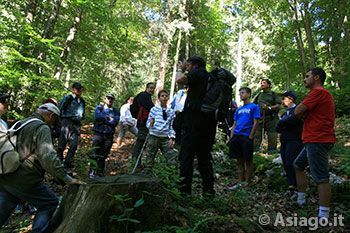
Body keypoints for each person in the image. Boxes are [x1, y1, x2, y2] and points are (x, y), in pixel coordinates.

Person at [0, 103, 83, 232]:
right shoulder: (41, 127)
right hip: (24, 179)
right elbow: (47, 156)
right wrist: (65, 177)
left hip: (6, 175)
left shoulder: (22, 122)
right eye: (55, 120)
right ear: (51, 115)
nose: (53, 124)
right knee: (49, 203)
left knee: (3, 209)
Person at [293, 68, 335, 219]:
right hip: (313, 139)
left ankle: (323, 215)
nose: (304, 79)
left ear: (316, 77)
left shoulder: (319, 92)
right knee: (298, 165)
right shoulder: (319, 94)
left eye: (307, 76)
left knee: (321, 177)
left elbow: (297, 112)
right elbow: (302, 113)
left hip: (318, 139)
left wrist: (303, 112)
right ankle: (301, 200)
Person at [176, 56, 217, 196]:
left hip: (193, 123)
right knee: (204, 158)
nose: (187, 68)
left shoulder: (197, 72)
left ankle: (184, 192)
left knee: (186, 157)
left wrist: (179, 69)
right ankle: (208, 192)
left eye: (188, 66)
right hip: (208, 124)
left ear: (195, 65)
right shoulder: (210, 77)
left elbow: (180, 80)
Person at [228, 87, 260, 189]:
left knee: (248, 160)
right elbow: (234, 124)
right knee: (239, 160)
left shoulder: (254, 107)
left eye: (242, 93)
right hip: (236, 136)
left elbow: (255, 122)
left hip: (246, 136)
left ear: (249, 94)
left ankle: (246, 183)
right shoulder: (238, 110)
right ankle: (240, 182)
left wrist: (250, 136)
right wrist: (231, 137)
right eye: (240, 93)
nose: (240, 95)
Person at [275, 91, 303, 198]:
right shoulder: (284, 114)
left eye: (284, 99)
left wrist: (283, 123)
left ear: (291, 99)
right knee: (286, 163)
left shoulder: (297, 111)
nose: (282, 101)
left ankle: (296, 188)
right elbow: (277, 127)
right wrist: (283, 123)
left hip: (295, 140)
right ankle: (290, 186)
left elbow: (293, 121)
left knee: (292, 163)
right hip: (284, 141)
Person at [89, 94, 120, 178]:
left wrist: (104, 120)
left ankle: (99, 172)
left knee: (104, 154)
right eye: (108, 98)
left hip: (109, 135)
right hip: (98, 134)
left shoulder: (116, 111)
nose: (109, 100)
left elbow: (115, 122)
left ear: (113, 100)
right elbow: (98, 118)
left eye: (111, 99)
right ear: (105, 99)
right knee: (94, 153)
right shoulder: (99, 108)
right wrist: (109, 119)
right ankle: (92, 172)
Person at [57, 82, 85, 169]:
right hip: (66, 122)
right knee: (61, 145)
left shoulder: (82, 101)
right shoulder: (68, 98)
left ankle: (67, 165)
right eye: (77, 89)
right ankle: (58, 164)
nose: (79, 91)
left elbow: (82, 114)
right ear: (73, 90)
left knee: (74, 145)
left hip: (76, 125)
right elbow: (58, 109)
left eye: (80, 89)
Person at [145, 90, 176, 166]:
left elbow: (172, 126)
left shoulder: (171, 112)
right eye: (162, 96)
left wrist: (172, 138)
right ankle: (147, 172)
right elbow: (148, 124)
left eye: (166, 96)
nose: (164, 98)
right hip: (154, 136)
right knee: (150, 156)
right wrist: (151, 123)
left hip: (165, 137)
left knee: (171, 156)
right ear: (159, 98)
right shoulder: (154, 110)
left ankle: (172, 173)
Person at [253, 79, 281, 154]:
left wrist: (269, 108)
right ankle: (255, 151)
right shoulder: (259, 95)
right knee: (257, 134)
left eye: (264, 83)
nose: (262, 84)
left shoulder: (274, 94)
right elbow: (254, 105)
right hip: (260, 118)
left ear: (269, 85)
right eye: (261, 83)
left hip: (271, 118)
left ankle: (272, 152)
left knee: (272, 135)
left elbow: (278, 105)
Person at [131, 82, 155, 165]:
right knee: (140, 142)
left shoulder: (147, 97)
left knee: (142, 143)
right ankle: (135, 163)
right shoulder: (143, 96)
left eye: (153, 88)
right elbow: (151, 107)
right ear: (147, 88)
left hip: (144, 123)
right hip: (143, 123)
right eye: (151, 88)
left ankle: (136, 162)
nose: (152, 90)